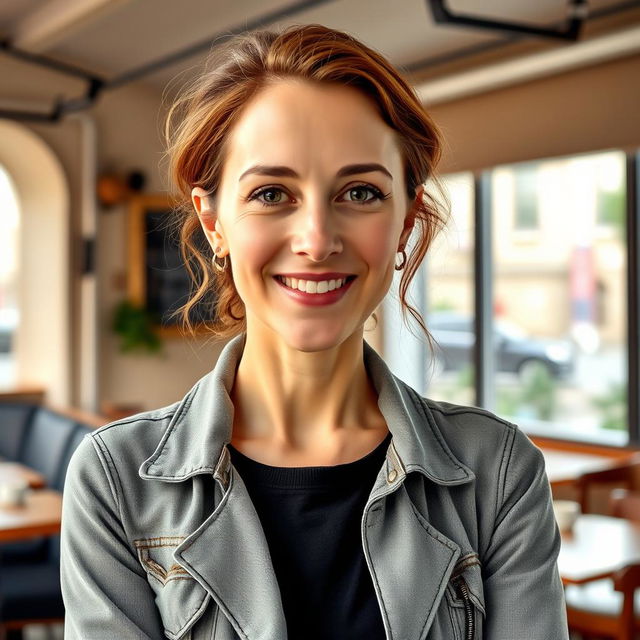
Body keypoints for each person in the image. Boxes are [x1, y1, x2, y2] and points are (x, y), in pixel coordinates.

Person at [60, 24, 569, 640]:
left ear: (405, 223)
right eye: (272, 192)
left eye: (360, 192)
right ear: (214, 222)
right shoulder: (115, 480)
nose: (317, 239)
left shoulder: (498, 471)